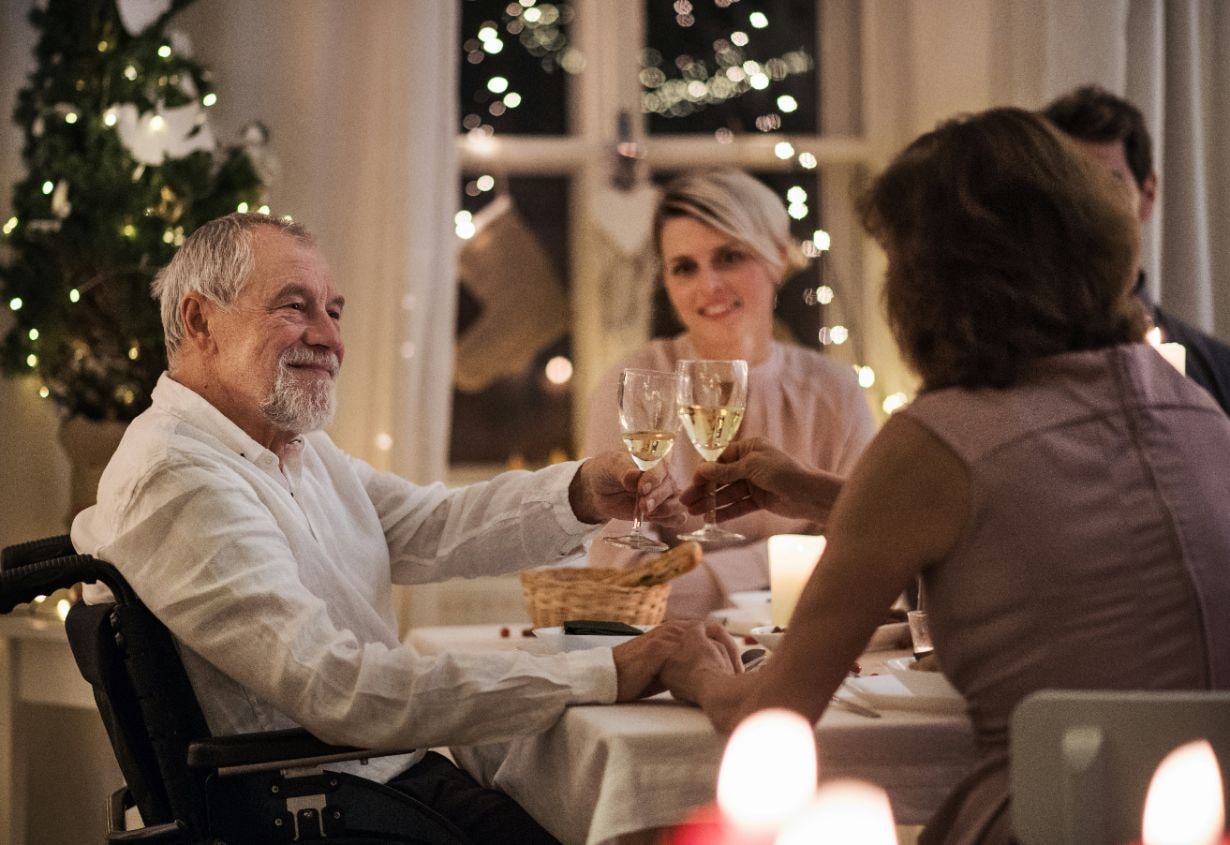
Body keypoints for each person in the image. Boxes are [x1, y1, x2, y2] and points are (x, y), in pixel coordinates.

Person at [70, 212, 740, 845]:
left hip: (372, 775)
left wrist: (583, 491)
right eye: (294, 306)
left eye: (333, 311)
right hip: (321, 808)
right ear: (200, 320)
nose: (330, 337)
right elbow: (340, 688)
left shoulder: (281, 447)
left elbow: (429, 524)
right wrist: (613, 670)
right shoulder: (179, 477)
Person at [667, 109, 1230, 844]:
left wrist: (696, 669)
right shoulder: (1194, 405)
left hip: (1043, 818)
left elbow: (766, 720)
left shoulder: (935, 439)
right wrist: (817, 491)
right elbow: (1025, 520)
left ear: (931, 279)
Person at [583, 168, 876, 618]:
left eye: (729, 258)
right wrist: (787, 555)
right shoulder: (635, 383)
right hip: (675, 658)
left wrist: (695, 574)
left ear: (778, 257)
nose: (708, 286)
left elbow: (865, 554)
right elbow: (624, 590)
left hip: (807, 643)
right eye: (685, 267)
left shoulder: (833, 392)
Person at [1043, 84, 1230, 414]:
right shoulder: (1009, 368)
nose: (1087, 206)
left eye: (1108, 184)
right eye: (1069, 186)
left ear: (1148, 195)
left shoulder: (1215, 372)